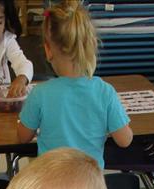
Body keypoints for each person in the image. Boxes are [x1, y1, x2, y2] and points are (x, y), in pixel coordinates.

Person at [17, 0, 133, 167]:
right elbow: (124, 140)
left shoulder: (40, 93)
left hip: (51, 185)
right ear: (89, 46)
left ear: (48, 50)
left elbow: (23, 137)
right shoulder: (105, 91)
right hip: (89, 188)